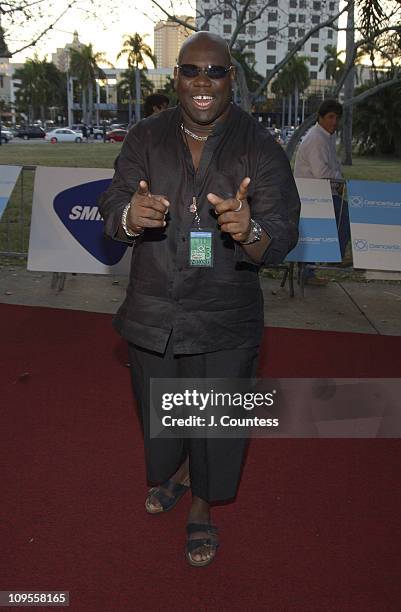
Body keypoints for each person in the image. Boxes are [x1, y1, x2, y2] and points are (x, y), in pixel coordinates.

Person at [98, 32, 300, 568]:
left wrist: (248, 229)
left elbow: (280, 234)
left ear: (231, 78)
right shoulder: (145, 136)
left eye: (215, 71)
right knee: (166, 414)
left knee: (216, 421)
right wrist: (129, 216)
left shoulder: (260, 145)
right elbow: (115, 200)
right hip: (154, 310)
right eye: (192, 70)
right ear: (177, 78)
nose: (203, 81)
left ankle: (202, 507)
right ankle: (181, 472)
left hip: (225, 315)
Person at [294, 99, 351, 285]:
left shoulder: (325, 135)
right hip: (312, 194)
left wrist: (338, 181)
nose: (334, 121)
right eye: (330, 117)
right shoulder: (317, 138)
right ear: (320, 117)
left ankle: (310, 272)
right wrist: (339, 181)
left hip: (319, 193)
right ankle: (335, 257)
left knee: (321, 227)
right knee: (345, 214)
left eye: (337, 117)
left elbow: (333, 166)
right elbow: (322, 174)